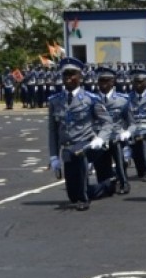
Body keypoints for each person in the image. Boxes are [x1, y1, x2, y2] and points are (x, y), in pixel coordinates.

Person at [47, 57, 115, 211]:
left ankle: (84, 199)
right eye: (65, 74)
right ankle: (106, 185)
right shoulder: (55, 101)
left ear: (80, 76)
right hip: (67, 149)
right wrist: (53, 156)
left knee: (80, 158)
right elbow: (53, 131)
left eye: (72, 74)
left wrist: (100, 138)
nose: (69, 78)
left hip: (86, 144)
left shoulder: (90, 99)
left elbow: (107, 122)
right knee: (72, 195)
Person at [93, 66, 134, 195]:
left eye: (107, 81)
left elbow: (132, 123)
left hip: (116, 136)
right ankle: (107, 184)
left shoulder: (123, 100)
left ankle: (124, 182)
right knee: (101, 168)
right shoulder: (92, 100)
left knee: (118, 153)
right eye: (101, 81)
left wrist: (127, 133)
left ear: (113, 82)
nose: (103, 84)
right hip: (99, 137)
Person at [126, 68, 146, 181]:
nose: (138, 84)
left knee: (142, 140)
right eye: (136, 82)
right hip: (134, 129)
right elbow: (129, 119)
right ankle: (145, 168)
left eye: (141, 82)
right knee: (135, 144)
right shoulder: (128, 98)